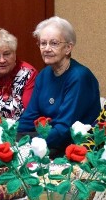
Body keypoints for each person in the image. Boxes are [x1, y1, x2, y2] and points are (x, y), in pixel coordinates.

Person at [17, 16, 100, 156]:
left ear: (68, 48)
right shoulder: (43, 75)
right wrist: (8, 133)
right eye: (43, 43)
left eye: (54, 43)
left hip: (73, 148)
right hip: (48, 141)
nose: (47, 48)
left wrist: (29, 142)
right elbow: (30, 117)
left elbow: (64, 130)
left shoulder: (79, 77)